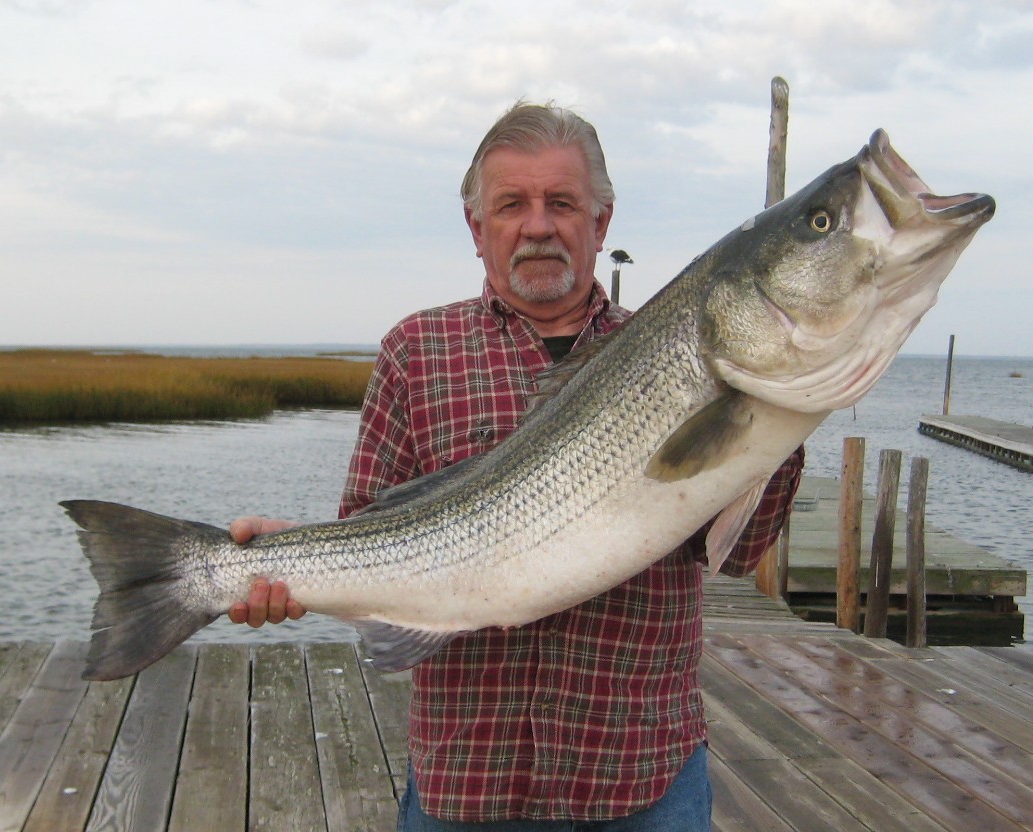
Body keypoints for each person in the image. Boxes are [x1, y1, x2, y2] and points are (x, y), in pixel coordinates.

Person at [228, 101, 804, 830]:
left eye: (561, 203)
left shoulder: (678, 357)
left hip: (638, 776)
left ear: (601, 222)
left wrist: (770, 416)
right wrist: (291, 562)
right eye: (511, 205)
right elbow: (368, 532)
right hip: (467, 781)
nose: (538, 225)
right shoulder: (416, 351)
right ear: (477, 229)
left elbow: (739, 550)